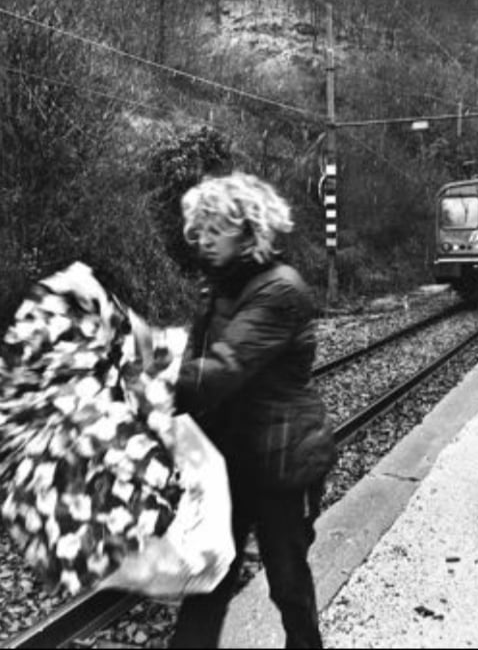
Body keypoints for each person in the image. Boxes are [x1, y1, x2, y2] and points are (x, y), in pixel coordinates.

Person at [169, 171, 336, 649]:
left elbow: (222, 369)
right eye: (197, 232)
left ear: (247, 231)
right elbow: (198, 371)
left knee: (288, 585)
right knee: (206, 586)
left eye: (214, 230)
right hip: (232, 460)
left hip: (282, 461)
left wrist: (147, 384)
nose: (203, 242)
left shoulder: (279, 290)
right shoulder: (220, 287)